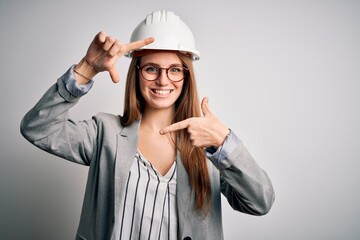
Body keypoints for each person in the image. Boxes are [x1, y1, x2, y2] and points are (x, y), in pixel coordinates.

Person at [20, 10, 275, 240]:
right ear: (137, 72)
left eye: (175, 70)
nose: (163, 80)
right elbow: (38, 128)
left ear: (186, 77)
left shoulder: (208, 146)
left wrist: (224, 142)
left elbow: (259, 203)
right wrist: (86, 69)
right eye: (152, 68)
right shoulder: (105, 133)